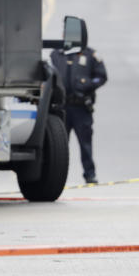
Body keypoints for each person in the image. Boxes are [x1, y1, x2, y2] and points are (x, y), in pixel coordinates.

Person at [50, 38, 108, 184]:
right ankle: (56, 177)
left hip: (81, 108)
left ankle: (90, 175)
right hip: (62, 108)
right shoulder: (56, 54)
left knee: (85, 144)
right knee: (59, 145)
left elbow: (102, 76)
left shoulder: (90, 55)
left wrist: (87, 85)